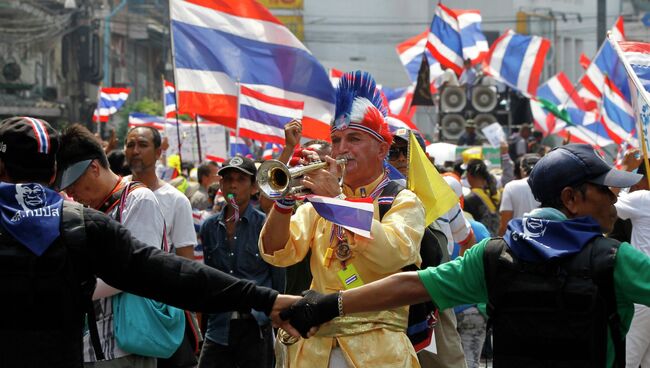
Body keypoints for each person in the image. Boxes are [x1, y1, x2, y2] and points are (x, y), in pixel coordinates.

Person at [283, 143, 650, 368]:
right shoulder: (615, 260)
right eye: (607, 191)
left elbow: (410, 285)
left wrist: (328, 305)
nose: (616, 200)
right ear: (571, 198)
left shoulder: (494, 257)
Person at [0, 116, 302, 368]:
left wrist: (264, 301)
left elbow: (168, 267)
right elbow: (168, 271)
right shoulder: (79, 219)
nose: (72, 191)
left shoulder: (103, 213)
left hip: (123, 345)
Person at [260, 71, 425, 368]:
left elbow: (392, 255)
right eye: (336, 140)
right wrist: (285, 200)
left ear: (382, 149)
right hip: (314, 352)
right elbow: (276, 253)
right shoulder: (317, 203)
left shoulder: (402, 201)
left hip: (378, 353)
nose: (341, 149)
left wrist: (337, 202)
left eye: (354, 139)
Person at [56, 124, 166, 367]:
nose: (72, 195)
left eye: (74, 186)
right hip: (92, 347)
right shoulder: (88, 209)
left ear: (94, 168)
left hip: (126, 346)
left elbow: (136, 271)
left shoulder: (138, 199)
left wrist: (73, 291)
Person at [387, 128, 469, 368]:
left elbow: (466, 237)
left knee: (446, 360)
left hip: (437, 291)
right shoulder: (379, 192)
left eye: (409, 152)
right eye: (394, 152)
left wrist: (454, 281)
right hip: (392, 295)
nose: (402, 159)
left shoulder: (441, 191)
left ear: (424, 157)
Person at [198, 156, 285, 368]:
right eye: (227, 179)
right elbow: (207, 277)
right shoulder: (208, 227)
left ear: (254, 187)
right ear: (220, 184)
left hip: (256, 326)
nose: (233, 185)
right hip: (218, 327)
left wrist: (275, 317)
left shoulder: (266, 225)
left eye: (240, 179)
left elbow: (278, 278)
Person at [124, 126, 197, 260]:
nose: (135, 151)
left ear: (158, 152)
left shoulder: (177, 200)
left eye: (143, 145)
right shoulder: (114, 190)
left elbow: (186, 259)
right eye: (130, 145)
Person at [612, 152, 650, 368]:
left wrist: (625, 167)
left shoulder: (643, 199)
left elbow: (604, 203)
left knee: (628, 359)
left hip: (642, 289)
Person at [498, 153, 541, 236]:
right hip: (544, 242)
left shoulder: (511, 186)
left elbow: (504, 225)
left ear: (522, 169)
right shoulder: (551, 186)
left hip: (517, 242)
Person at [464, 159, 502, 235]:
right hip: (500, 240)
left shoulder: (469, 198)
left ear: (469, 175)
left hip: (482, 242)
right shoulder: (497, 193)